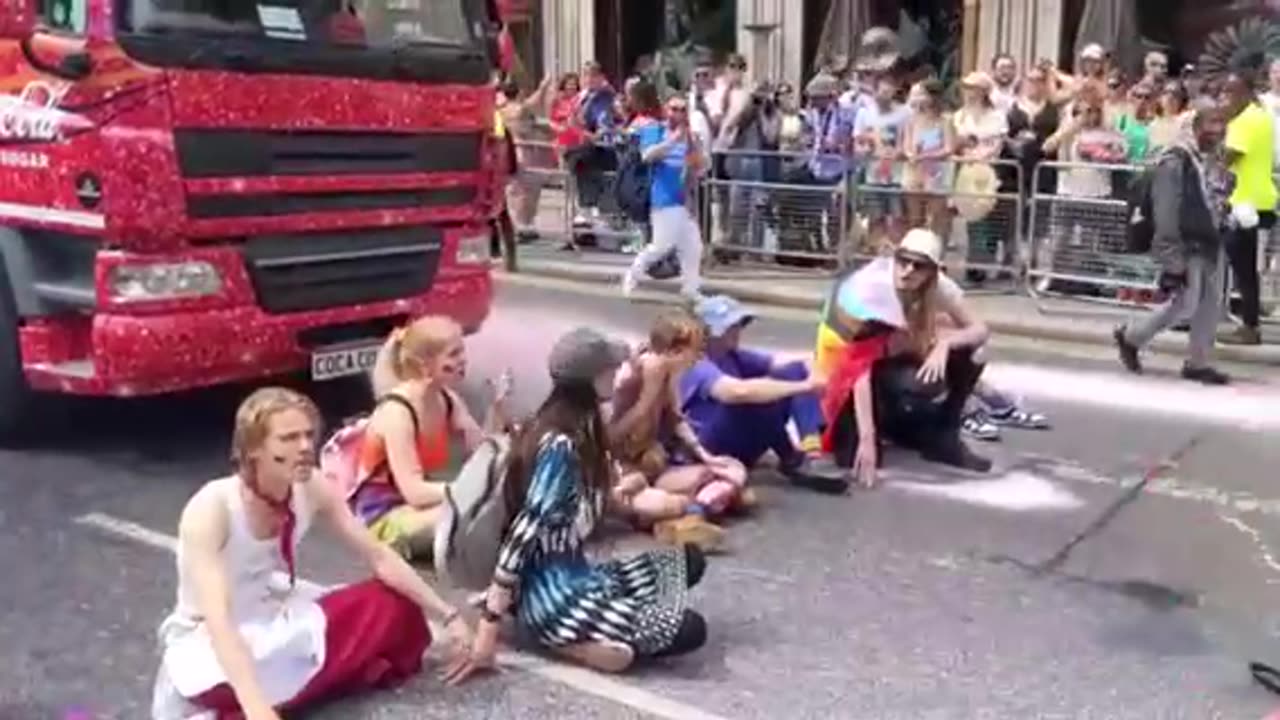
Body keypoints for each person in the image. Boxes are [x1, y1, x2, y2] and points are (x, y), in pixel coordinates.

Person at [152, 388, 474, 719]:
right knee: (244, 684)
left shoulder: (311, 486)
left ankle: (283, 693)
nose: (305, 447)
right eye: (288, 438)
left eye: (308, 435)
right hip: (212, 641)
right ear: (254, 450)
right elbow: (218, 620)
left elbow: (378, 555)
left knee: (395, 603)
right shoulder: (213, 507)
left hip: (273, 621)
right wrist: (257, 708)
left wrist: (450, 616)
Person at [444, 328, 711, 683]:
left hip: (580, 575)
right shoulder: (560, 444)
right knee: (690, 628)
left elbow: (573, 510)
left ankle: (589, 628)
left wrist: (617, 494)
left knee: (689, 562)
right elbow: (523, 534)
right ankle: (555, 636)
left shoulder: (569, 425)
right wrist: (487, 632)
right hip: (555, 593)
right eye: (610, 370)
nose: (616, 377)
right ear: (594, 378)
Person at [817, 228, 993, 488]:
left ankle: (943, 436)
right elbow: (858, 368)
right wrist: (867, 437)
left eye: (918, 266)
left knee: (975, 352)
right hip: (844, 374)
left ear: (932, 272)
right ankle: (884, 423)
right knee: (852, 456)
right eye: (903, 261)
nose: (908, 270)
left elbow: (980, 329)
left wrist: (945, 343)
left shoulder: (938, 285)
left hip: (888, 361)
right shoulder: (871, 290)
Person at [351, 316, 510, 561]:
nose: (463, 361)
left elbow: (484, 452)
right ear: (424, 365)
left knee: (492, 509)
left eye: (462, 351)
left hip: (419, 508)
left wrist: (497, 408)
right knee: (470, 515)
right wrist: (471, 490)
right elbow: (414, 491)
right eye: (453, 354)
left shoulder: (446, 400)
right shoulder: (397, 412)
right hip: (385, 517)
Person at [679, 294, 849, 494]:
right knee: (757, 394)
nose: (737, 331)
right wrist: (803, 387)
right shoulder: (697, 364)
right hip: (708, 447)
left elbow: (789, 363)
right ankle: (791, 458)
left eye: (739, 325)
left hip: (735, 439)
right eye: (731, 327)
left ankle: (810, 452)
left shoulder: (733, 356)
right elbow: (734, 392)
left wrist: (811, 367)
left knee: (790, 374)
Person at [1114, 106, 1234, 385]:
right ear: (1194, 126)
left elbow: (1208, 201)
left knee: (1209, 305)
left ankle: (1198, 362)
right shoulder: (1174, 161)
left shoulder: (1205, 160)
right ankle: (1131, 337)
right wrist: (1171, 258)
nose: (1218, 130)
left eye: (1222, 123)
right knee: (1186, 303)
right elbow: (1166, 211)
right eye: (1212, 122)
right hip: (1186, 243)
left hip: (1207, 240)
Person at [609, 309, 744, 549]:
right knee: (660, 502)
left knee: (732, 469)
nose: (699, 357)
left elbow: (675, 418)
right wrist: (642, 407)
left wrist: (705, 455)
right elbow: (616, 431)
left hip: (653, 462)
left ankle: (688, 513)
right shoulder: (649, 366)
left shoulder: (669, 371)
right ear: (675, 350)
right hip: (625, 467)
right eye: (696, 350)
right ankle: (687, 513)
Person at [622, 93, 708, 301]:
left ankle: (691, 288)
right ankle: (633, 274)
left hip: (683, 199)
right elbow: (648, 156)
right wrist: (672, 141)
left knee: (693, 246)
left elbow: (698, 167)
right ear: (665, 110)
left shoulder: (688, 136)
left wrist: (696, 151)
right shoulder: (655, 130)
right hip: (663, 197)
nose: (677, 114)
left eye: (681, 110)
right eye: (673, 109)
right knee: (661, 246)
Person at [1220, 69, 1277, 346]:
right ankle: (1249, 322)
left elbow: (1227, 158)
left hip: (1245, 202)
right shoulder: (1263, 116)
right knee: (1247, 267)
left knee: (1242, 267)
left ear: (1245, 92)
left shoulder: (1243, 121)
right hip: (1262, 200)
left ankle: (1250, 325)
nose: (1225, 98)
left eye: (1230, 92)